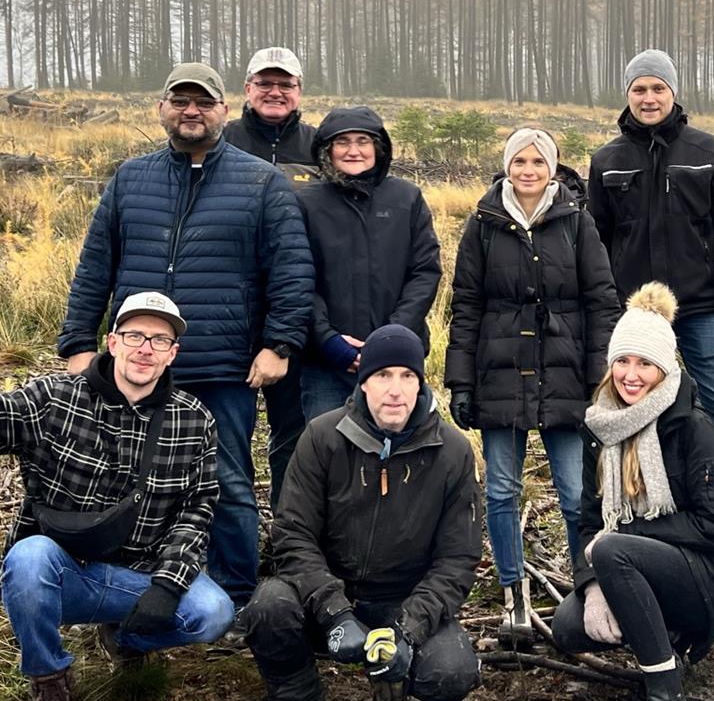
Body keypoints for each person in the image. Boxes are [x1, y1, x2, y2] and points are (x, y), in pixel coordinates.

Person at [0, 292, 235, 701]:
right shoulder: (55, 399)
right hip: (63, 572)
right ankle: (50, 682)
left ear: (173, 353)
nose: (145, 348)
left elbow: (198, 509)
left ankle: (126, 636)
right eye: (134, 335)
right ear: (112, 342)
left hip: (141, 575)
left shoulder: (194, 420)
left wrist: (167, 586)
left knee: (213, 613)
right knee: (28, 558)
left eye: (159, 339)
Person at [58, 62, 314, 610]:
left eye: (203, 102)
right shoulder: (131, 179)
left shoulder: (261, 182)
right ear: (163, 109)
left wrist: (280, 344)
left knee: (227, 482)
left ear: (225, 110)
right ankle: (131, 587)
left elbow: (291, 271)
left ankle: (235, 597)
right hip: (137, 365)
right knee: (126, 477)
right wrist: (79, 342)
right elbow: (95, 267)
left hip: (221, 365)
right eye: (180, 101)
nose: (191, 111)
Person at [247, 325, 483, 701]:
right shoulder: (321, 437)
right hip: (326, 598)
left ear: (421, 382)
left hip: (402, 598)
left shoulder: (453, 451)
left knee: (450, 673)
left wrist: (409, 630)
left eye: (407, 376)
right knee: (268, 609)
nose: (395, 390)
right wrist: (335, 612)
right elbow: (292, 535)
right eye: (383, 376)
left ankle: (392, 688)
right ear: (363, 381)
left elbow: (457, 560)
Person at [550, 283, 714, 701]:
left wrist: (621, 541)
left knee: (611, 549)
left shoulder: (692, 425)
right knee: (567, 627)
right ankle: (668, 643)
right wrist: (592, 587)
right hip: (651, 562)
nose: (631, 374)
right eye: (623, 361)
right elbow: (585, 520)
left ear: (664, 368)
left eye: (644, 363)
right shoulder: (601, 427)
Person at [445, 127, 618, 640]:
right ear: (506, 166)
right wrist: (460, 382)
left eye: (537, 162)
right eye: (518, 161)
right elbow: (466, 306)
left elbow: (601, 301)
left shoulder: (575, 222)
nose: (527, 170)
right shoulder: (483, 224)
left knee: (574, 492)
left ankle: (584, 586)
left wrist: (598, 377)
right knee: (501, 489)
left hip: (565, 377)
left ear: (553, 168)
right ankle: (513, 593)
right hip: (499, 375)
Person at [587, 49, 714, 554]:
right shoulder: (607, 160)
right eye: (639, 89)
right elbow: (594, 248)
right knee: (627, 411)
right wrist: (603, 316)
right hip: (633, 316)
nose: (648, 98)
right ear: (627, 95)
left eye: (657, 88)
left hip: (701, 307)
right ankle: (634, 511)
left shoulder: (708, 150)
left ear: (673, 92)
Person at [297, 106, 443, 421]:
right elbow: (296, 278)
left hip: (399, 361)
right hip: (327, 365)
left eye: (363, 140)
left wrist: (393, 334)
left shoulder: (407, 198)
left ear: (378, 147)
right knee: (329, 454)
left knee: (401, 454)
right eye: (342, 142)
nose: (353, 151)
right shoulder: (306, 203)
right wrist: (328, 340)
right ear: (327, 150)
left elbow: (425, 272)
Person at [219, 46, 319, 501]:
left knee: (294, 438)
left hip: (299, 310)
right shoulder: (221, 140)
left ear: (299, 91)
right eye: (265, 83)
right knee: (223, 439)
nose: (275, 92)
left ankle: (290, 538)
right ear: (247, 89)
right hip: (227, 313)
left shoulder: (321, 147)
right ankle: (225, 539)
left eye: (285, 84)